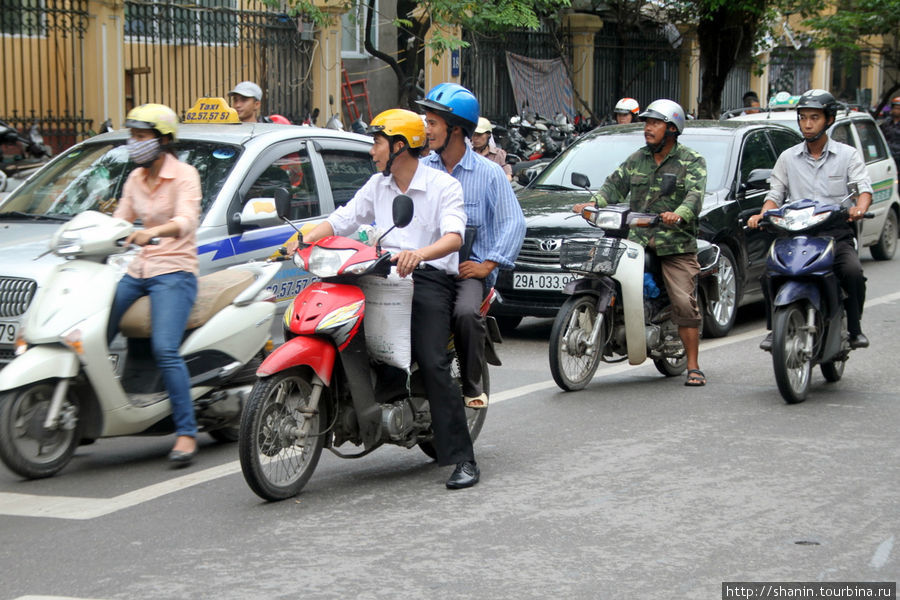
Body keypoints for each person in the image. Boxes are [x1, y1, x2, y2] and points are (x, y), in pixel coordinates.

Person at [298, 108, 481, 490]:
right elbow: (344, 219)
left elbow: (454, 237)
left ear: (400, 146)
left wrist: (421, 253)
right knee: (340, 325)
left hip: (428, 278)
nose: (373, 151)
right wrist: (302, 239)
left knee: (433, 361)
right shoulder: (377, 186)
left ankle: (463, 458)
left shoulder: (443, 186)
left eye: (377, 143)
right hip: (380, 273)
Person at [572, 99, 708, 386]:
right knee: (598, 272)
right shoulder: (637, 159)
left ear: (672, 129)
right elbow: (613, 185)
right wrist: (593, 203)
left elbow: (694, 196)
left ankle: (693, 366)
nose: (648, 128)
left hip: (675, 244)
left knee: (683, 302)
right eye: (647, 123)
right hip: (636, 240)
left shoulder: (692, 161)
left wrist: (679, 215)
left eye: (655, 123)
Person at [416, 83, 525, 409]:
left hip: (468, 272)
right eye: (427, 121)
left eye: (433, 123)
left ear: (456, 129)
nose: (426, 129)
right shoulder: (423, 169)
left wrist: (488, 265)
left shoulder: (489, 174)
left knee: (465, 314)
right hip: (427, 268)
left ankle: (471, 384)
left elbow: (514, 222)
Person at [107, 104, 202, 465]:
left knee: (165, 349)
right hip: (137, 270)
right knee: (93, 334)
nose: (134, 144)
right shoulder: (134, 179)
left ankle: (186, 433)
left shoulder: (185, 175)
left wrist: (152, 232)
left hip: (175, 271)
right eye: (132, 137)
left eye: (141, 137)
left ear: (163, 140)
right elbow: (119, 220)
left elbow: (186, 220)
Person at [747, 88, 873, 350]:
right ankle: (775, 329)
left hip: (834, 233)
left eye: (814, 117)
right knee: (769, 273)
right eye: (803, 117)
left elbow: (863, 190)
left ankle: (854, 329)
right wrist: (763, 214)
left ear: (828, 119)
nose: (807, 123)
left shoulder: (847, 155)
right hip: (796, 234)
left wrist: (859, 208)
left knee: (852, 272)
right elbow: (775, 195)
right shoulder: (787, 157)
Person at [471, 117, 513, 181]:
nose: (475, 138)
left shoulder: (499, 154)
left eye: (479, 134)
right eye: (473, 134)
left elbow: (508, 176)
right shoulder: (467, 155)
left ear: (489, 135)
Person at [881, 96, 900, 180]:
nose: (897, 110)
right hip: (887, 157)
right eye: (895, 108)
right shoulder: (886, 123)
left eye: (899, 108)